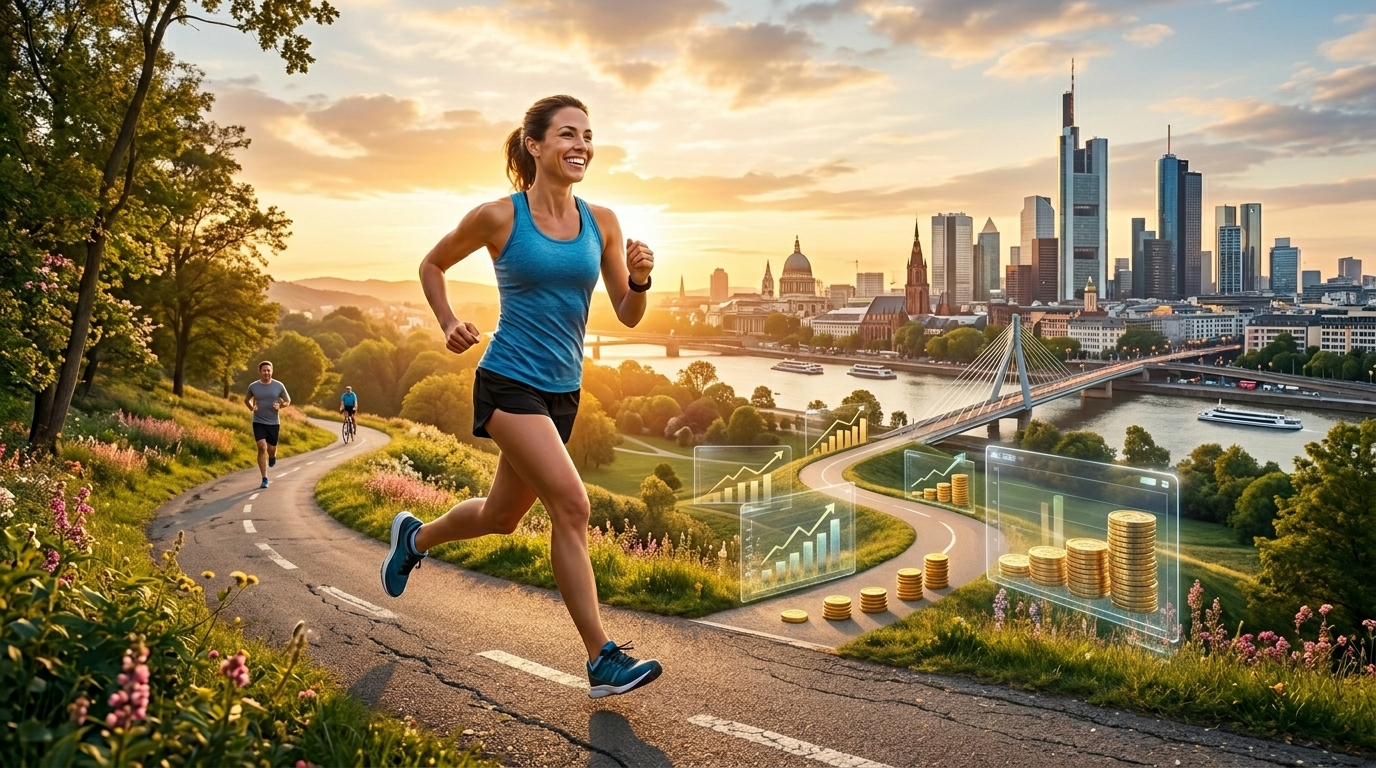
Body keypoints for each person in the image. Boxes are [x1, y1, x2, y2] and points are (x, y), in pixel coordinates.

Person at [380, 95, 661, 699]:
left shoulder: (602, 222)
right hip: (508, 382)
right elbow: (433, 265)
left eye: (588, 134)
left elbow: (629, 316)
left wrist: (639, 278)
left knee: (500, 518)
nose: (581, 144)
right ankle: (600, 660)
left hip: (563, 392)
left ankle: (414, 537)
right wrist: (448, 321)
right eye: (567, 134)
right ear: (535, 145)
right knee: (572, 506)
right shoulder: (499, 217)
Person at [244, 361, 290, 489]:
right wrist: (252, 407)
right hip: (258, 421)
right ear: (260, 372)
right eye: (264, 370)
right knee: (262, 447)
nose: (266, 372)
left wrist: (281, 405)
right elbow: (246, 400)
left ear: (272, 371)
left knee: (271, 449)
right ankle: (264, 478)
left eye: (268, 370)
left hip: (273, 422)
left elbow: (287, 400)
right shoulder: (253, 386)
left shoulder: (278, 386)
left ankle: (273, 456)